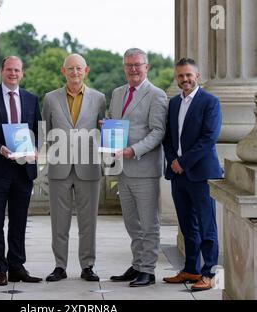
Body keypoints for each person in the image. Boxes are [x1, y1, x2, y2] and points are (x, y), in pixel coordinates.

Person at [0, 56, 42, 286]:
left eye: (17, 70)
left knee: (19, 220)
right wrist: (0, 148)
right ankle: (0, 269)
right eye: (9, 69)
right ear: (2, 71)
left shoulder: (32, 99)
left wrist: (35, 147)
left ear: (22, 73)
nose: (13, 73)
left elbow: (38, 130)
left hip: (23, 171)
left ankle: (16, 266)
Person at [42, 54, 106, 282]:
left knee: (88, 221)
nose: (75, 72)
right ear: (63, 71)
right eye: (70, 69)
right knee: (59, 222)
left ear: (86, 70)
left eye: (79, 68)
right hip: (59, 168)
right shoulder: (50, 98)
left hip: (88, 168)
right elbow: (47, 133)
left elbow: (102, 132)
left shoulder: (99, 98)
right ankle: (60, 266)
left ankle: (88, 266)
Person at [108, 48, 167, 287]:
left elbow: (158, 131)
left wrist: (134, 150)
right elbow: (119, 125)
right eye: (129, 65)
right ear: (124, 67)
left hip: (144, 168)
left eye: (138, 65)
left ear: (147, 67)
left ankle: (148, 270)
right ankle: (137, 264)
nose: (133, 69)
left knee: (148, 223)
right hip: (123, 168)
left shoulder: (157, 94)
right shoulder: (117, 93)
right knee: (132, 222)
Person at [162, 58, 222, 291]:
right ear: (176, 78)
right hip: (178, 175)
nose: (185, 79)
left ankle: (209, 273)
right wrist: (173, 162)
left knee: (207, 227)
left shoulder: (210, 102)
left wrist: (183, 162)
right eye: (180, 76)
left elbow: (209, 138)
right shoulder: (174, 103)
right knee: (187, 225)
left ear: (197, 76)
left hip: (201, 173)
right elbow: (168, 138)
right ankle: (190, 269)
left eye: (189, 75)